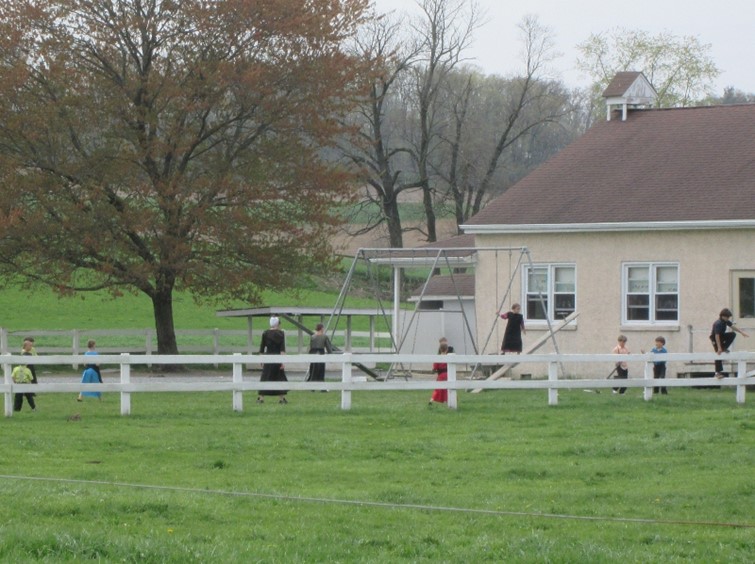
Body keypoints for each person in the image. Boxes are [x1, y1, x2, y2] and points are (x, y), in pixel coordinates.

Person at [710, 308, 749, 379]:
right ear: (723, 316)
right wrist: (719, 348)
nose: (728, 318)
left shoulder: (725, 321)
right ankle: (717, 373)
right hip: (715, 339)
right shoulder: (718, 323)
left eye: (728, 317)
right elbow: (716, 336)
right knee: (719, 354)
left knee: (733, 334)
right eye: (727, 317)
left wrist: (742, 332)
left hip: (721, 336)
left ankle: (724, 348)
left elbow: (733, 327)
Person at [258, 316, 288, 404]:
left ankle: (261, 398)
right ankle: (281, 399)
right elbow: (282, 349)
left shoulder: (265, 333)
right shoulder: (281, 334)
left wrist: (261, 360)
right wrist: (282, 362)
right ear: (277, 324)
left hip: (268, 357)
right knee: (279, 378)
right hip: (277, 357)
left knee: (265, 377)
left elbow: (262, 348)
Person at [305, 323, 332, 388]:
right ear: (322, 328)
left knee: (313, 369)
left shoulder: (313, 336)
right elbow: (328, 347)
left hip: (313, 353)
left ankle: (312, 385)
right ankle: (321, 385)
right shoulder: (324, 337)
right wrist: (331, 355)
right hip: (321, 352)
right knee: (321, 370)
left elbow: (310, 347)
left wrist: (308, 355)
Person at [429, 337, 453, 405]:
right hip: (448, 375)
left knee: (438, 388)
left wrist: (433, 370)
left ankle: (432, 399)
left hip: (441, 376)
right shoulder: (449, 357)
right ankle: (448, 401)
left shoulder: (438, 358)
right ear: (447, 349)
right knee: (448, 389)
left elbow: (435, 367)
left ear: (440, 349)